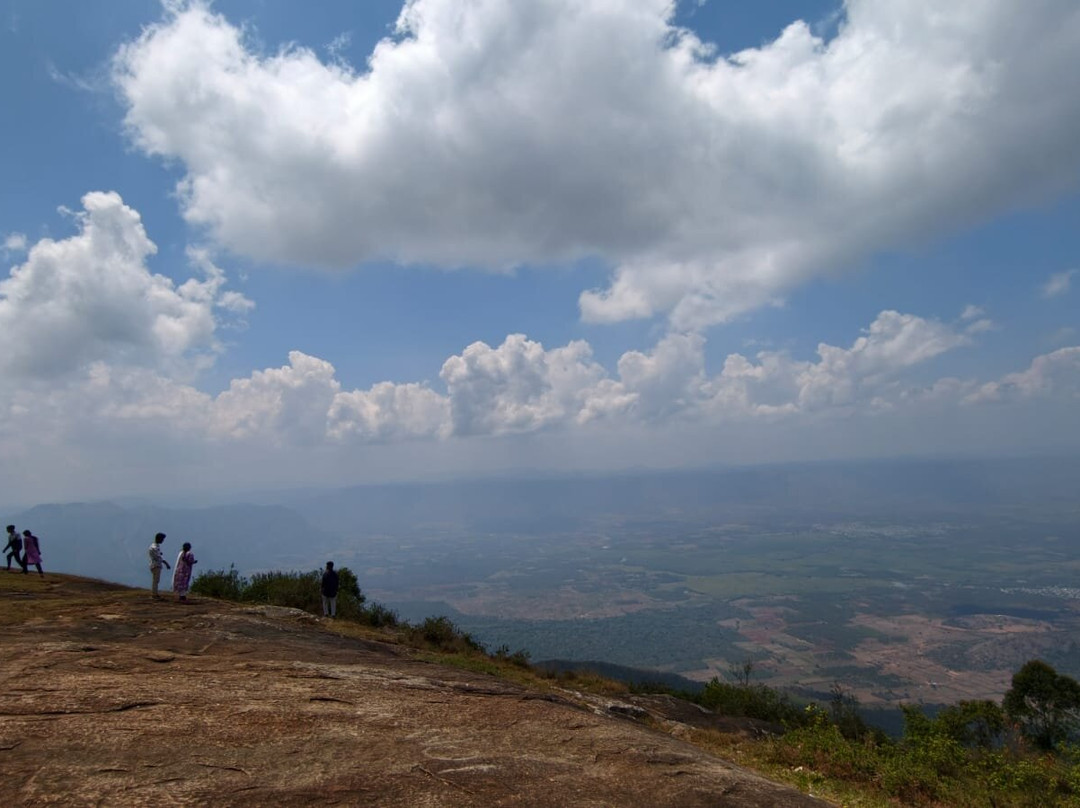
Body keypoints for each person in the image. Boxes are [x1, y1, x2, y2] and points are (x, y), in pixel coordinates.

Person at [148, 532, 171, 600]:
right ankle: (154, 595)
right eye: (162, 539)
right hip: (156, 565)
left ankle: (155, 593)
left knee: (156, 580)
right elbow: (158, 557)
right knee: (156, 580)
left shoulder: (155, 546)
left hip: (155, 565)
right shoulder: (154, 547)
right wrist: (166, 563)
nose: (163, 541)